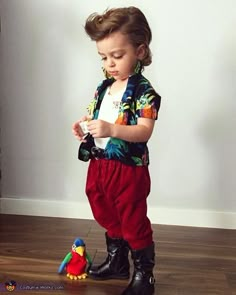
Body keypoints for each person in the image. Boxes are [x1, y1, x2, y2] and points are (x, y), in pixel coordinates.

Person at [72, 6, 161, 295]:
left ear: (140, 51)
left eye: (117, 56)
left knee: (132, 216)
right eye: (104, 57)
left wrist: (111, 130)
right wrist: (84, 125)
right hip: (100, 164)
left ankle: (144, 275)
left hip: (128, 168)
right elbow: (95, 115)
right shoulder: (104, 87)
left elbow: (144, 131)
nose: (110, 63)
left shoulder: (144, 92)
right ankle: (117, 259)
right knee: (102, 205)